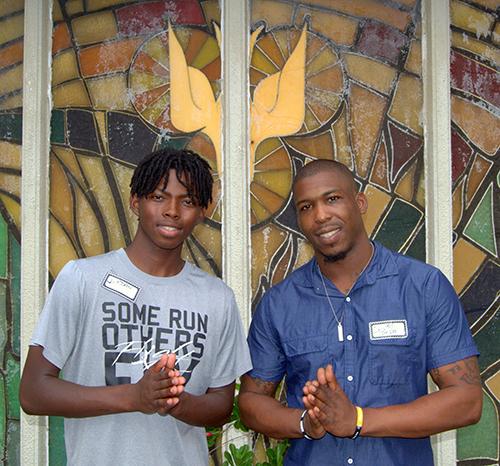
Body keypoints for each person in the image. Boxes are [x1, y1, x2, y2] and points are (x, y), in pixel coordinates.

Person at [238, 159, 482, 465]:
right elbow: (250, 401)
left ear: (360, 202)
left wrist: (358, 420)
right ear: (298, 220)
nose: (321, 215)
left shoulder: (423, 287)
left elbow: (467, 401)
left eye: (332, 199)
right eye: (306, 207)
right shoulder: (279, 303)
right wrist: (302, 423)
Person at [19, 148, 252, 466]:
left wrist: (174, 401)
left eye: (187, 201)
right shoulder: (82, 279)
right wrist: (133, 396)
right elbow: (33, 392)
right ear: (134, 202)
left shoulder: (217, 298)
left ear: (202, 212)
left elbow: (222, 405)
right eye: (158, 196)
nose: (172, 210)